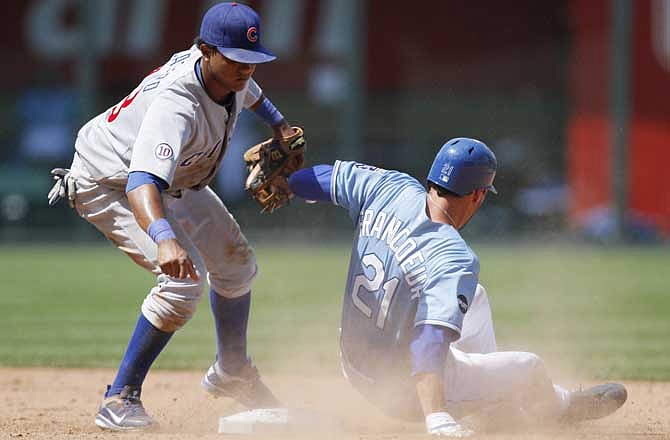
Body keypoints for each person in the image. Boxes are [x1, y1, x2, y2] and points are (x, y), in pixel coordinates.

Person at [47, 2, 300, 431]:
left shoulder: (229, 72)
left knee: (236, 264)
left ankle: (233, 370)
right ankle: (119, 399)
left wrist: (280, 124)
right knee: (182, 282)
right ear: (205, 50)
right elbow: (141, 183)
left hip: (175, 179)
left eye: (253, 60)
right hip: (109, 182)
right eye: (237, 59)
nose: (246, 69)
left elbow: (250, 92)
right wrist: (164, 237)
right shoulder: (176, 105)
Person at [287, 138, 627, 437]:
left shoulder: (390, 188)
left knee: (475, 298)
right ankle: (562, 407)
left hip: (353, 364)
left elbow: (316, 180)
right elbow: (429, 341)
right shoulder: (452, 256)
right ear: (478, 195)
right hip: (402, 394)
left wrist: (286, 181)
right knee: (530, 367)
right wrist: (437, 417)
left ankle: (494, 413)